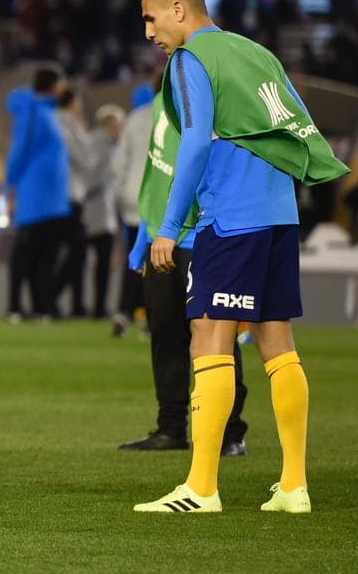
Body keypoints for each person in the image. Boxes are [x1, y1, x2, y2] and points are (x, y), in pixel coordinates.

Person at [133, 0, 348, 513]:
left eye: (151, 19)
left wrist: (168, 226)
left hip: (231, 220)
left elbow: (195, 144)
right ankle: (294, 486)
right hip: (280, 217)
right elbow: (296, 128)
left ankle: (201, 489)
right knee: (279, 345)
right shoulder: (258, 54)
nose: (150, 33)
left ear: (178, 9)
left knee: (208, 337)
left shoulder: (191, 59)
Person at [119, 86, 249, 457]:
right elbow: (154, 171)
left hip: (204, 235)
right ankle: (171, 427)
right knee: (164, 333)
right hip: (161, 239)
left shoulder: (216, 98)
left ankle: (229, 432)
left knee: (216, 335)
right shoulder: (161, 101)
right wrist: (143, 234)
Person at [2, 67, 70, 322]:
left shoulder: (45, 110)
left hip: (49, 198)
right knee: (25, 254)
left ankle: (42, 306)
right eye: (61, 82)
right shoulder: (31, 110)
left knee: (44, 255)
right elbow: (20, 148)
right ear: (53, 85)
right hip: (35, 196)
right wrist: (9, 183)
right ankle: (15, 307)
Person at [110, 83, 155, 336]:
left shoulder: (133, 119)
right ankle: (151, 314)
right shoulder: (174, 114)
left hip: (133, 199)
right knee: (160, 260)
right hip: (160, 199)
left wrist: (121, 193)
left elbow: (119, 162)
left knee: (134, 256)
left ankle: (123, 311)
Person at [52, 87, 91, 317]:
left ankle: (68, 303)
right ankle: (51, 298)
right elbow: (83, 158)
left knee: (63, 251)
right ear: (73, 102)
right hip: (68, 195)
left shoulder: (60, 121)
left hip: (64, 194)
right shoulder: (66, 124)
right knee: (77, 250)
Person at [82, 104, 123, 319]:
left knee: (85, 262)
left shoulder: (94, 141)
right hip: (98, 215)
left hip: (94, 213)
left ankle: (90, 306)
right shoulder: (103, 144)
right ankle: (98, 308)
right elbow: (95, 177)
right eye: (118, 124)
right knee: (101, 264)